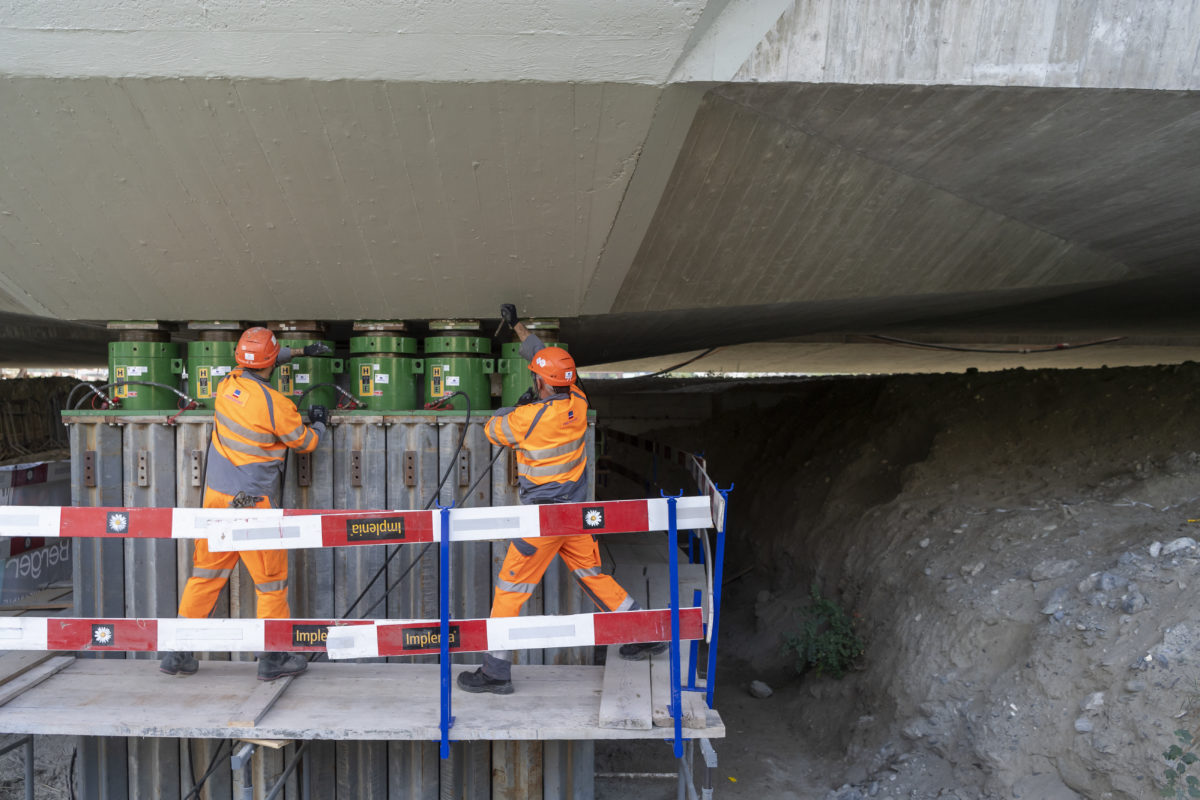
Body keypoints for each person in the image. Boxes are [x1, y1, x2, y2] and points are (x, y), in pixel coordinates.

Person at [457, 304, 666, 695]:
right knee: (593, 576)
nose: (535, 379)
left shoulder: (528, 419)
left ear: (541, 383)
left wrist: (516, 408)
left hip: (544, 522)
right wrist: (519, 328)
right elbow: (556, 369)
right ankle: (647, 631)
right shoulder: (580, 402)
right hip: (577, 515)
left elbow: (492, 430)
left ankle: (495, 671)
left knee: (509, 590)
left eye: (536, 376)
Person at [159, 327, 330, 681]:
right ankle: (274, 659)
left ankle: (176, 653)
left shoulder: (226, 387)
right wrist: (321, 424)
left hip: (216, 501)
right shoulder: (276, 404)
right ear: (271, 362)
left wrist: (298, 353)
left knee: (205, 575)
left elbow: (260, 361)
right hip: (253, 505)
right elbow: (304, 442)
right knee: (271, 582)